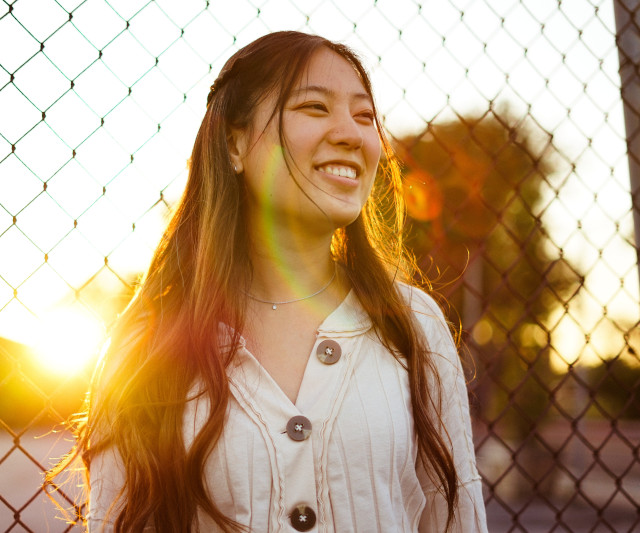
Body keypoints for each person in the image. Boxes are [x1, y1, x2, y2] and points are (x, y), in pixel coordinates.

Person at [46, 31, 488, 532]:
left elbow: (455, 520)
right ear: (235, 144)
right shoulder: (146, 343)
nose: (353, 133)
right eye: (314, 108)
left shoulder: (413, 324)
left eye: (365, 116)